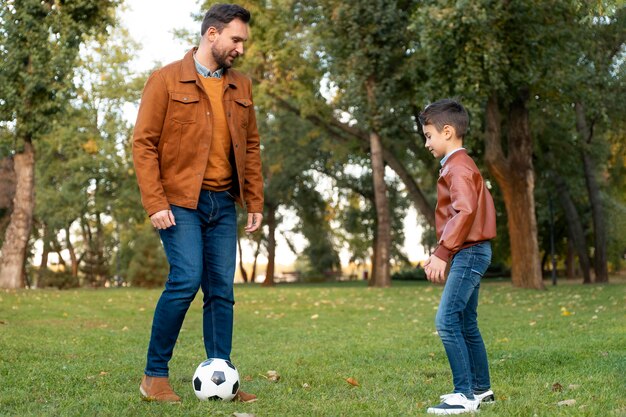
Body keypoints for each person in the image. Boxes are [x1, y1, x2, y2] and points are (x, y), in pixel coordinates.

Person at [132, 3, 263, 403]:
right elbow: (143, 144)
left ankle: (222, 375)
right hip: (179, 202)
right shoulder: (166, 79)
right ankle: (154, 377)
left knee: (221, 289)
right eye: (235, 39)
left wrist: (254, 198)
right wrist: (155, 203)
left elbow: (252, 145)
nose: (240, 48)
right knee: (186, 279)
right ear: (212, 34)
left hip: (223, 203)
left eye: (243, 41)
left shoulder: (241, 85)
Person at [419, 99, 497, 415]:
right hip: (472, 251)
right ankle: (481, 390)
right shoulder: (459, 165)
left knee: (447, 321)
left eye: (428, 135)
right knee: (466, 321)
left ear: (447, 131)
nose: (426, 143)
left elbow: (465, 210)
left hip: (469, 252)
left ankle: (463, 395)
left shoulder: (458, 167)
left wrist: (442, 251)